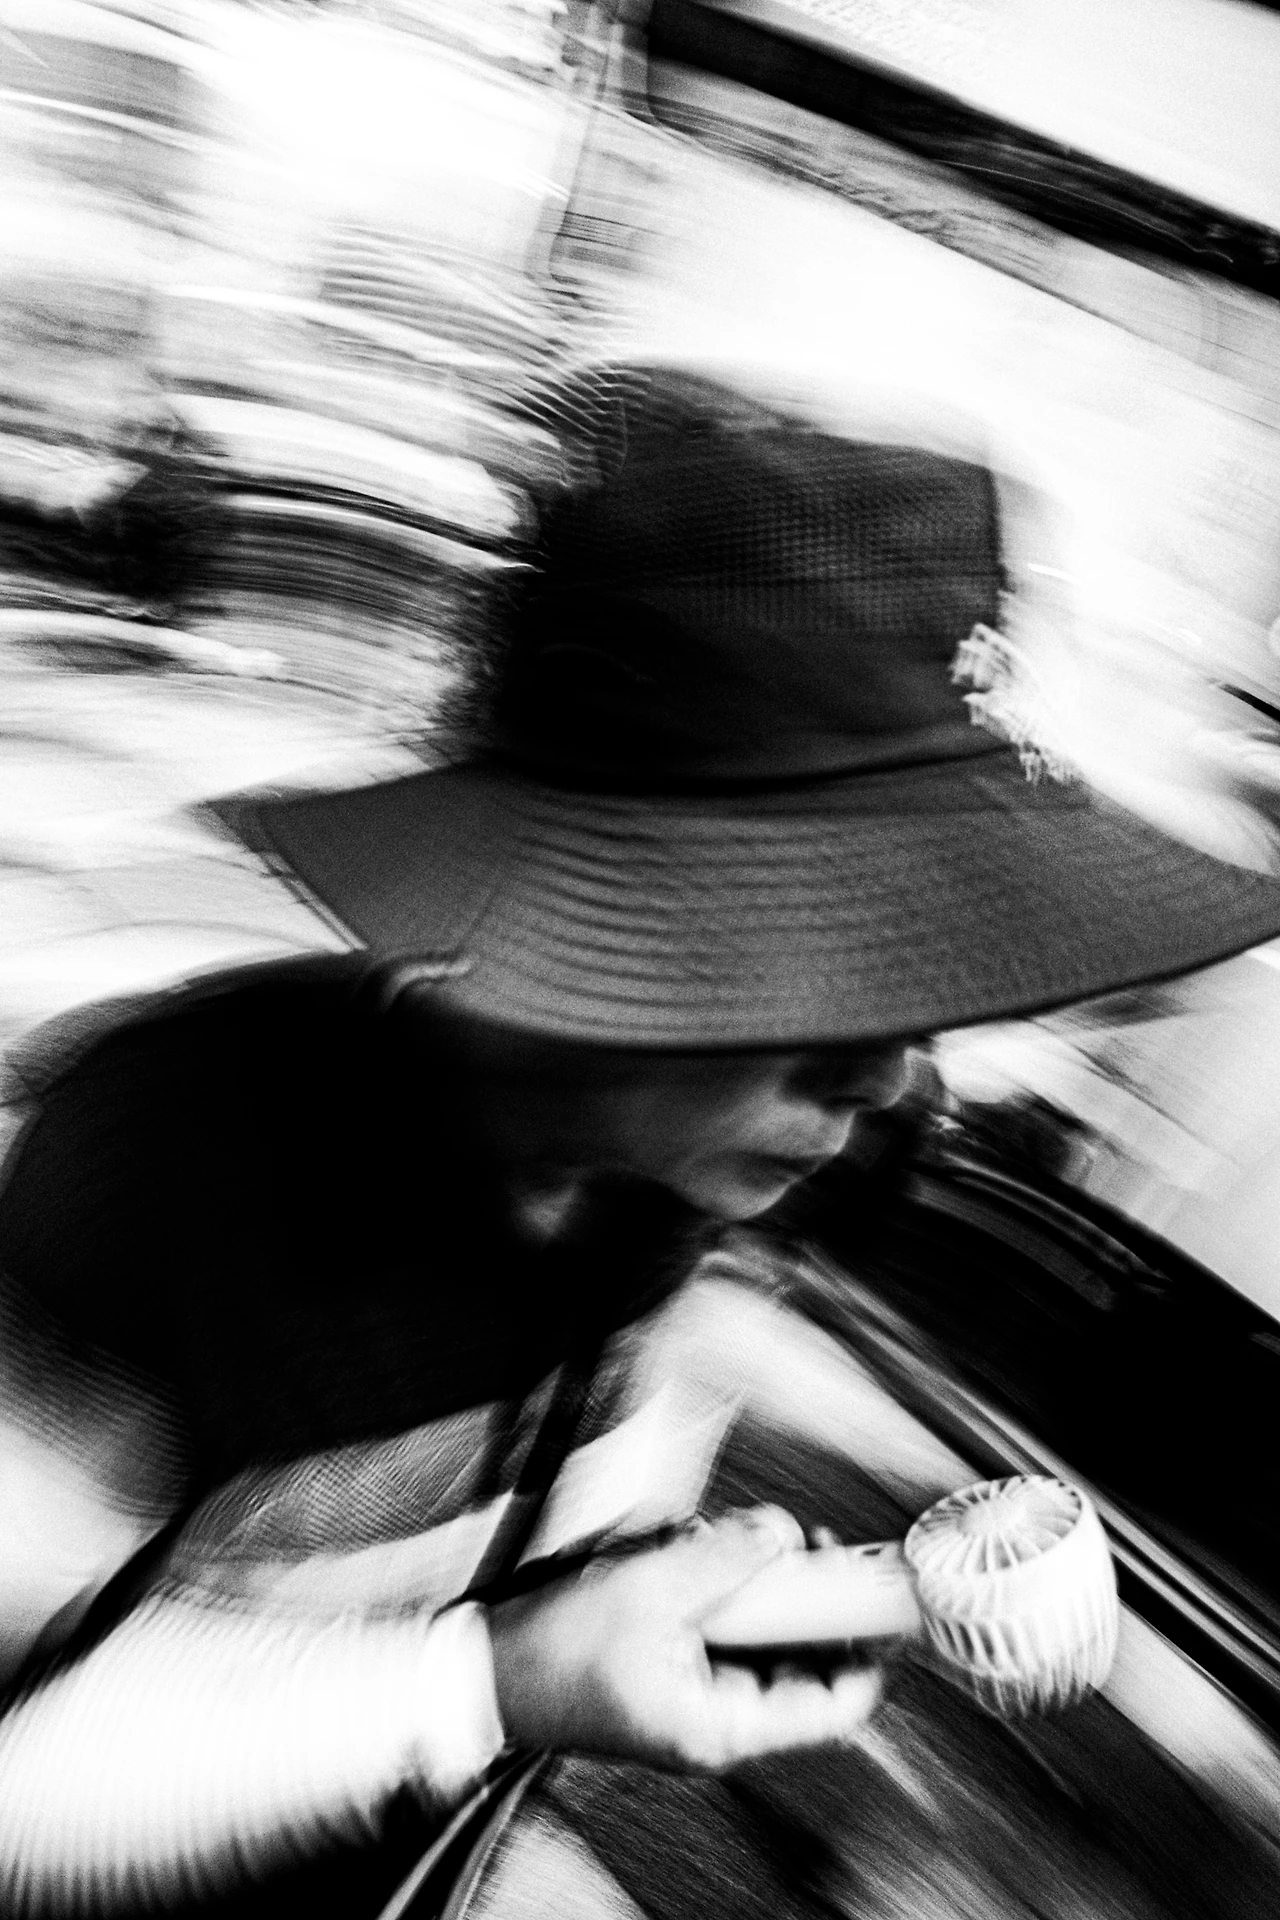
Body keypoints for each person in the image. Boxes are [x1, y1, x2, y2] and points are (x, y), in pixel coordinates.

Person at [2, 369, 1280, 1919]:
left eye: (917, 979)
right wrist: (490, 1681)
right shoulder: (159, 1164)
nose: (891, 1078)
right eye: (832, 972)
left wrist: (663, 1602)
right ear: (594, 919)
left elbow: (544, 1573)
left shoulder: (714, 1172)